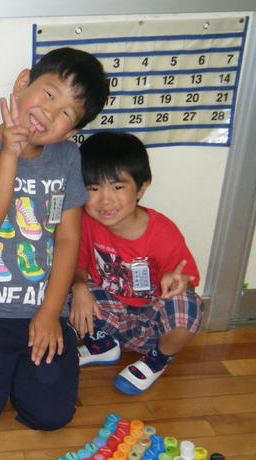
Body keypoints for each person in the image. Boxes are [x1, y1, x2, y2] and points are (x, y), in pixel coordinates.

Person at [0, 48, 109, 430]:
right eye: (49, 94)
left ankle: (20, 373)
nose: (49, 112)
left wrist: (50, 312)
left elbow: (68, 238)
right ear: (22, 83)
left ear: (72, 131)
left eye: (66, 113)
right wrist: (10, 153)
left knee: (50, 416)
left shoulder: (67, 158)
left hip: (42, 308)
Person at [69, 131, 202, 393]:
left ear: (141, 188)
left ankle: (157, 360)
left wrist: (177, 282)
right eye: (93, 188)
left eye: (117, 187)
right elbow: (77, 264)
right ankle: (103, 345)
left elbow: (187, 282)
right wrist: (78, 286)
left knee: (188, 304)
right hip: (108, 315)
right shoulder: (86, 222)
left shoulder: (161, 231)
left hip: (151, 325)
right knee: (60, 281)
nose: (105, 200)